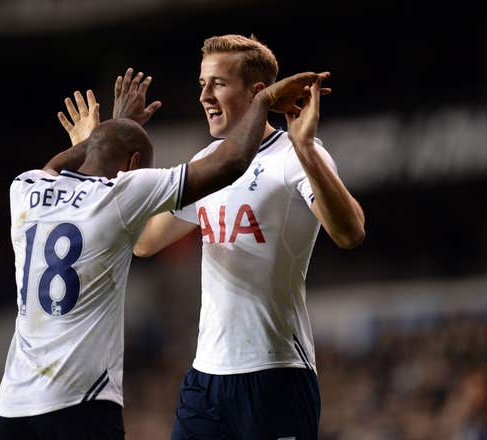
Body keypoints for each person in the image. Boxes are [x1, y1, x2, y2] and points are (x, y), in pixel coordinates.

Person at [0, 67, 329, 440]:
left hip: (13, 404)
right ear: (134, 166)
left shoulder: (24, 188)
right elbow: (231, 162)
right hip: (80, 399)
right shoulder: (122, 195)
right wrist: (263, 102)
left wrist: (102, 135)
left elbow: (55, 167)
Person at [129, 35, 366, 440]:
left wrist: (306, 148)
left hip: (275, 375)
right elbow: (145, 242)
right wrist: (125, 145)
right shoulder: (208, 163)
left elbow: (350, 233)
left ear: (258, 92)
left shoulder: (295, 155)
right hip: (206, 379)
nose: (204, 95)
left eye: (218, 83)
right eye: (202, 83)